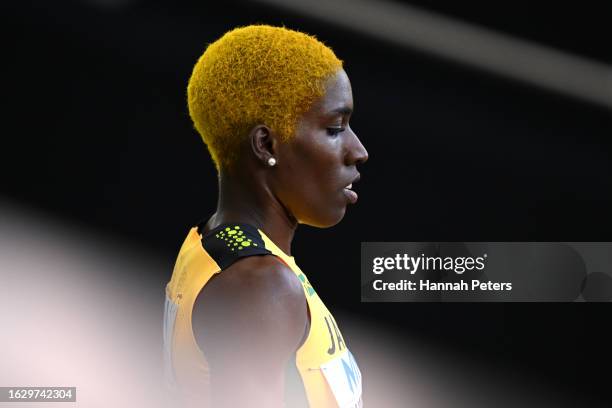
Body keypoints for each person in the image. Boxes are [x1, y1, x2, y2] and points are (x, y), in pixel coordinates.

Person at [163, 25, 368, 408]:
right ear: (266, 145)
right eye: (335, 128)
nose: (358, 151)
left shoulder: (214, 244)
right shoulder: (260, 287)